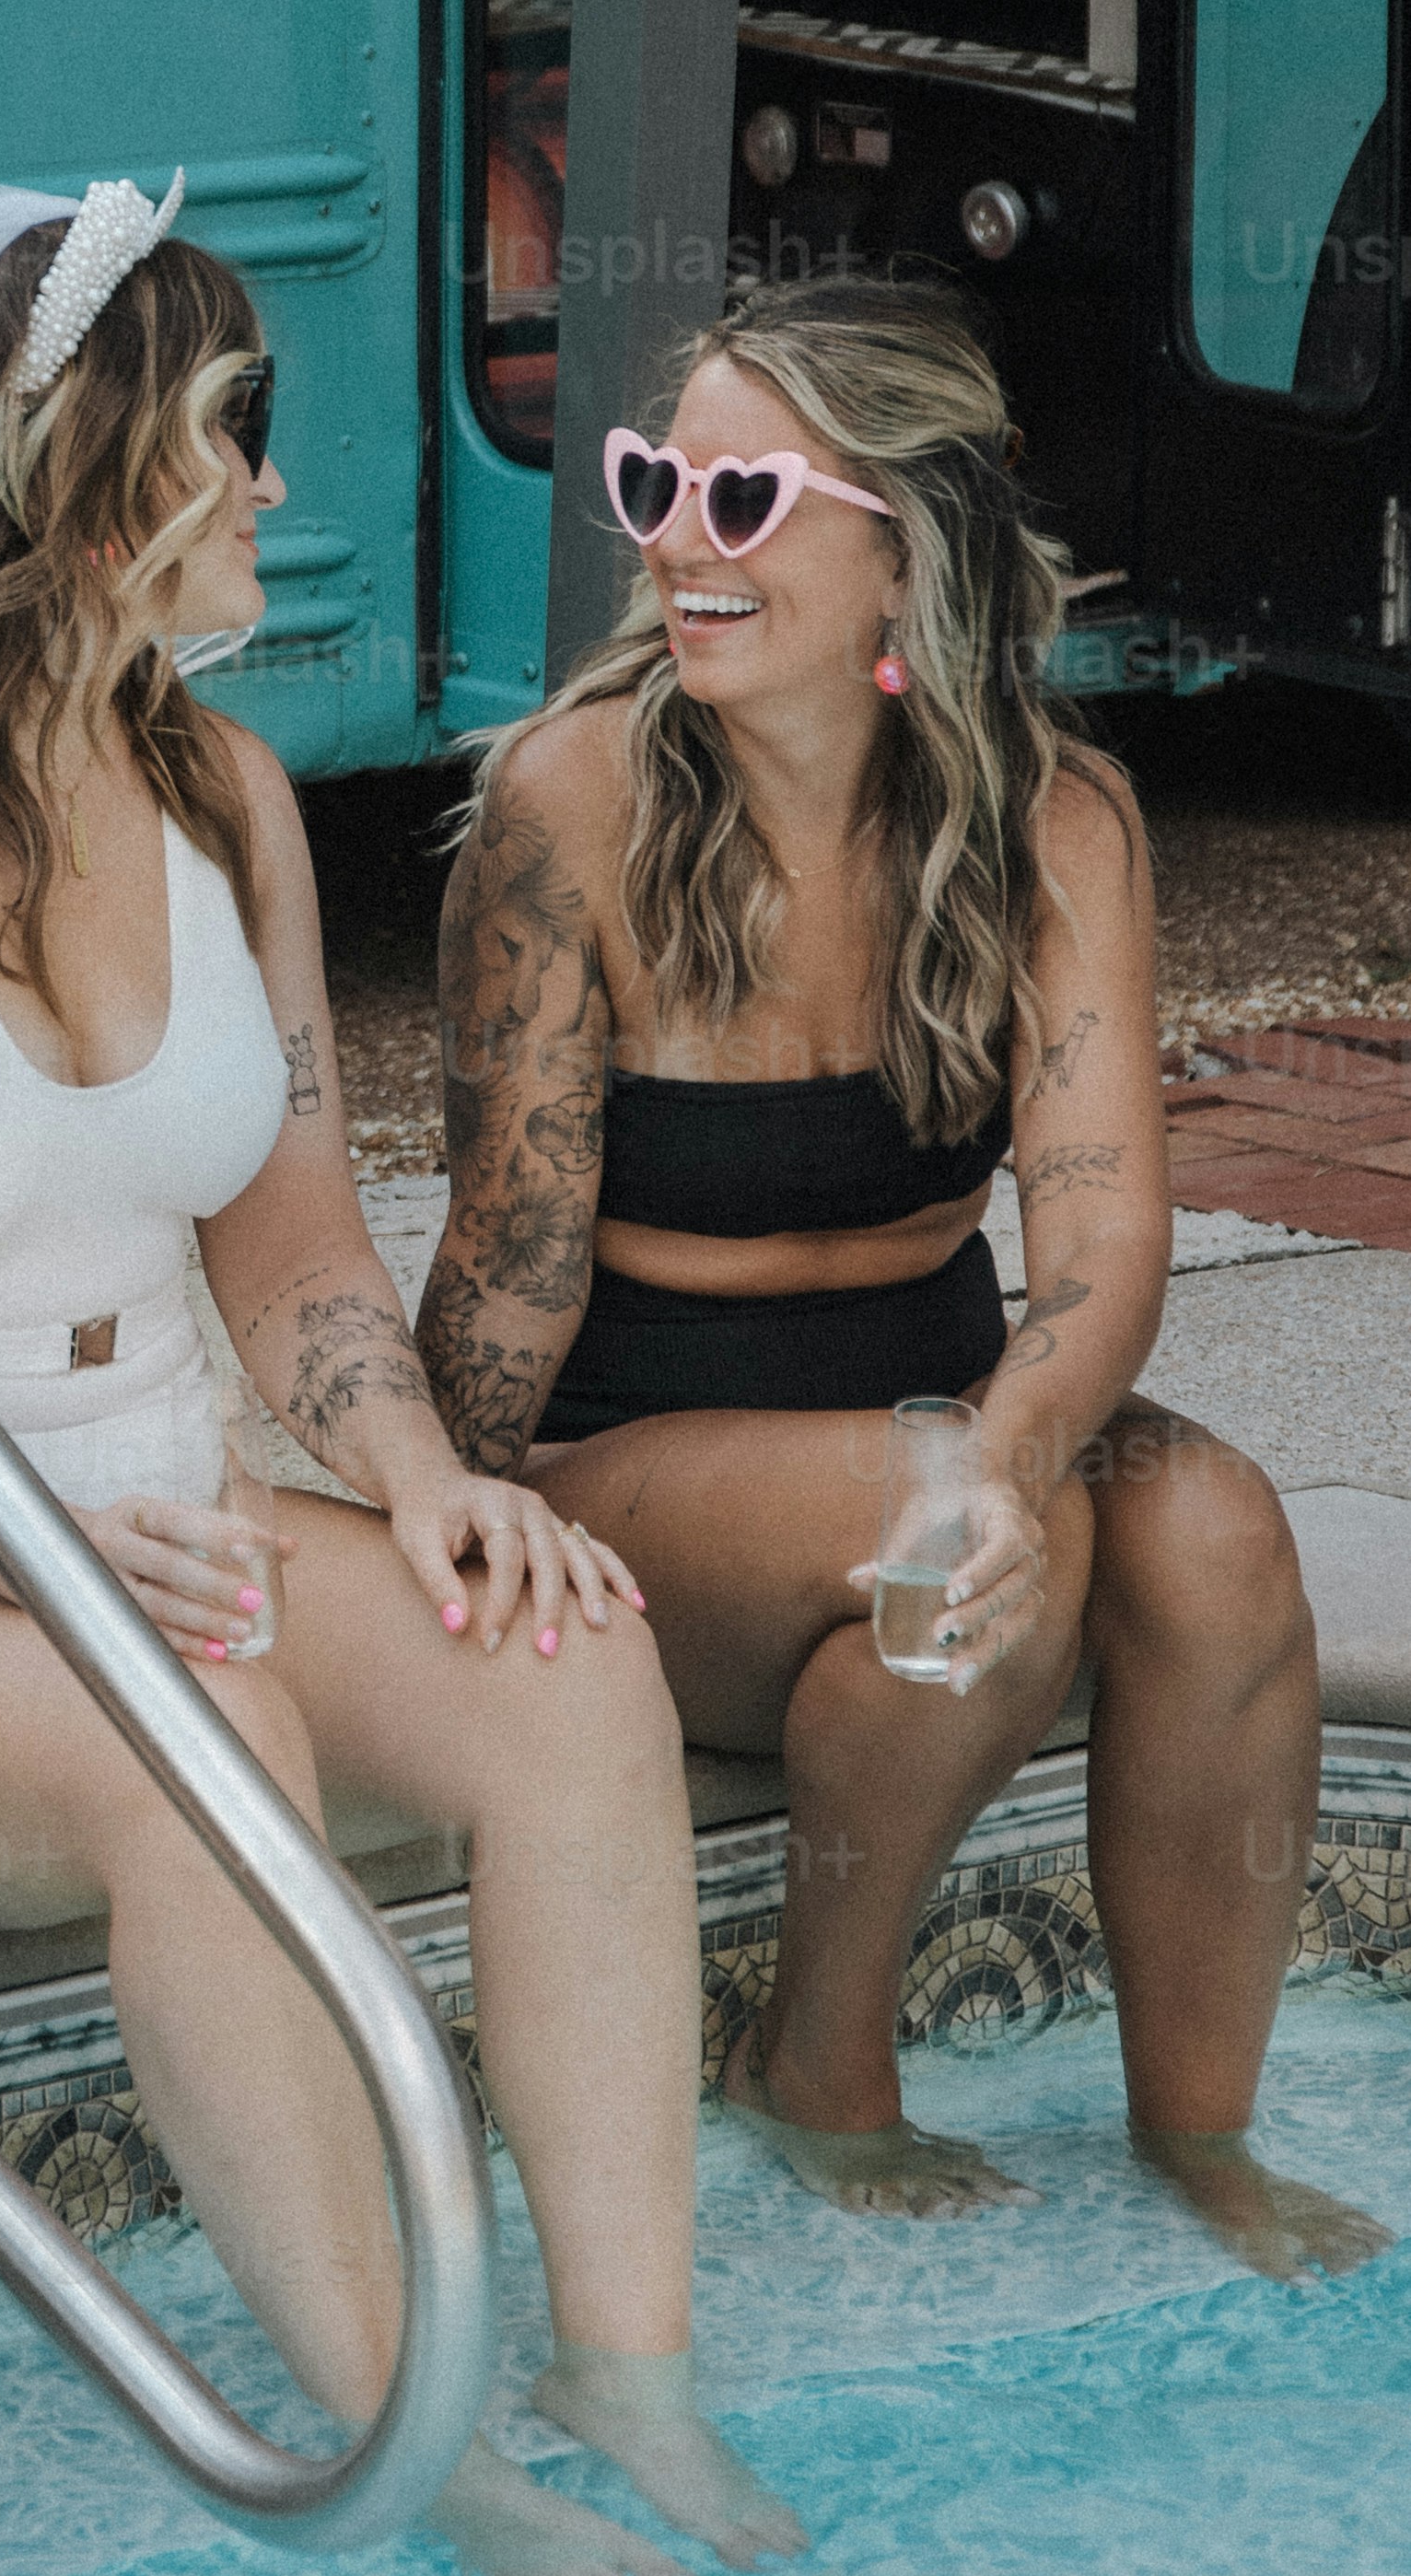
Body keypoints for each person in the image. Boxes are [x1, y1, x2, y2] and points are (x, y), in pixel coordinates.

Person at [0, 180, 802, 2576]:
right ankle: (398, 2419)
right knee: (203, 1724)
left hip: (161, 1539)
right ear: (81, 466)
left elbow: (290, 1232)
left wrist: (422, 1478)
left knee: (567, 1654)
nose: (264, 490)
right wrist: (16, 1538)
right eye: (231, 437)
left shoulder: (218, 793)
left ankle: (623, 2360)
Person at [420, 277, 1381, 2280]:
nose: (675, 540)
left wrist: (1007, 1457)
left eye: (742, 497)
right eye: (653, 482)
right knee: (947, 1545)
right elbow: (500, 1273)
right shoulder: (569, 806)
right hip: (637, 1466)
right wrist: (432, 1546)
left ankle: (1197, 2128)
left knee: (1206, 1528)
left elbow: (1106, 1238)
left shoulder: (1053, 814)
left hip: (919, 1431)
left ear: (903, 548)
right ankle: (819, 2063)